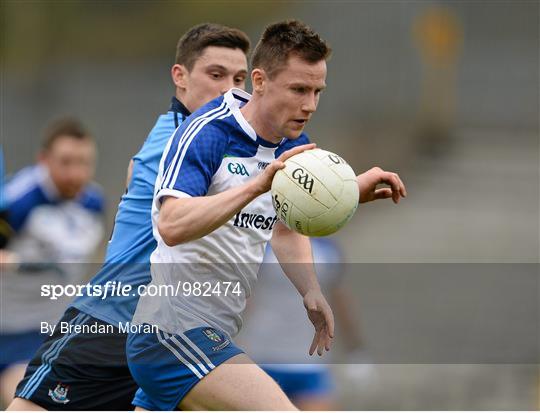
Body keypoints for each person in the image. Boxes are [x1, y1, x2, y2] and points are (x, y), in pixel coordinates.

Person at [126, 19, 406, 411]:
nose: (309, 104)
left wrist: (309, 289)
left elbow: (287, 227)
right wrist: (257, 186)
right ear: (258, 81)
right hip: (173, 333)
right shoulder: (209, 131)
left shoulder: (295, 147)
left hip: (213, 332)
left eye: (317, 91)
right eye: (298, 89)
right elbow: (171, 225)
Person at [8, 23, 251, 411]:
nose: (229, 91)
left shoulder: (213, 147)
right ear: (180, 77)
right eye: (216, 74)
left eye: (239, 79)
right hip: (108, 323)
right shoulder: (178, 139)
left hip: (165, 335)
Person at [0, 118, 104, 407]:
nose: (76, 173)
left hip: (54, 328)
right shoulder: (18, 201)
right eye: (66, 162)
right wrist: (14, 261)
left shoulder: (94, 202)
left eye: (84, 162)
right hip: (10, 329)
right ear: (43, 160)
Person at [239, 237, 364, 410]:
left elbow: (340, 301)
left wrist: (355, 351)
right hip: (263, 358)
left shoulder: (327, 249)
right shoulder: (262, 244)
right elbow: (245, 299)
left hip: (309, 362)